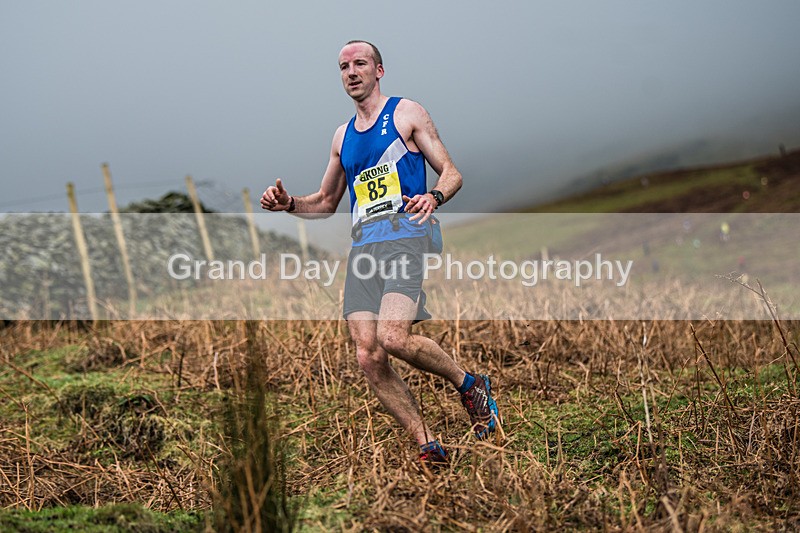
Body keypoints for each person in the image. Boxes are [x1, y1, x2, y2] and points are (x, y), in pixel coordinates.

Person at [261, 40, 499, 471]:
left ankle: (470, 385)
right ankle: (428, 443)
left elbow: (452, 172)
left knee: (394, 337)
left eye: (360, 64)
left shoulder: (407, 113)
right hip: (364, 248)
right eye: (343, 67)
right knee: (368, 354)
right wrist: (289, 204)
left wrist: (434, 196)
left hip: (406, 236)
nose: (351, 72)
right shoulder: (342, 136)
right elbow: (326, 202)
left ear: (379, 70)